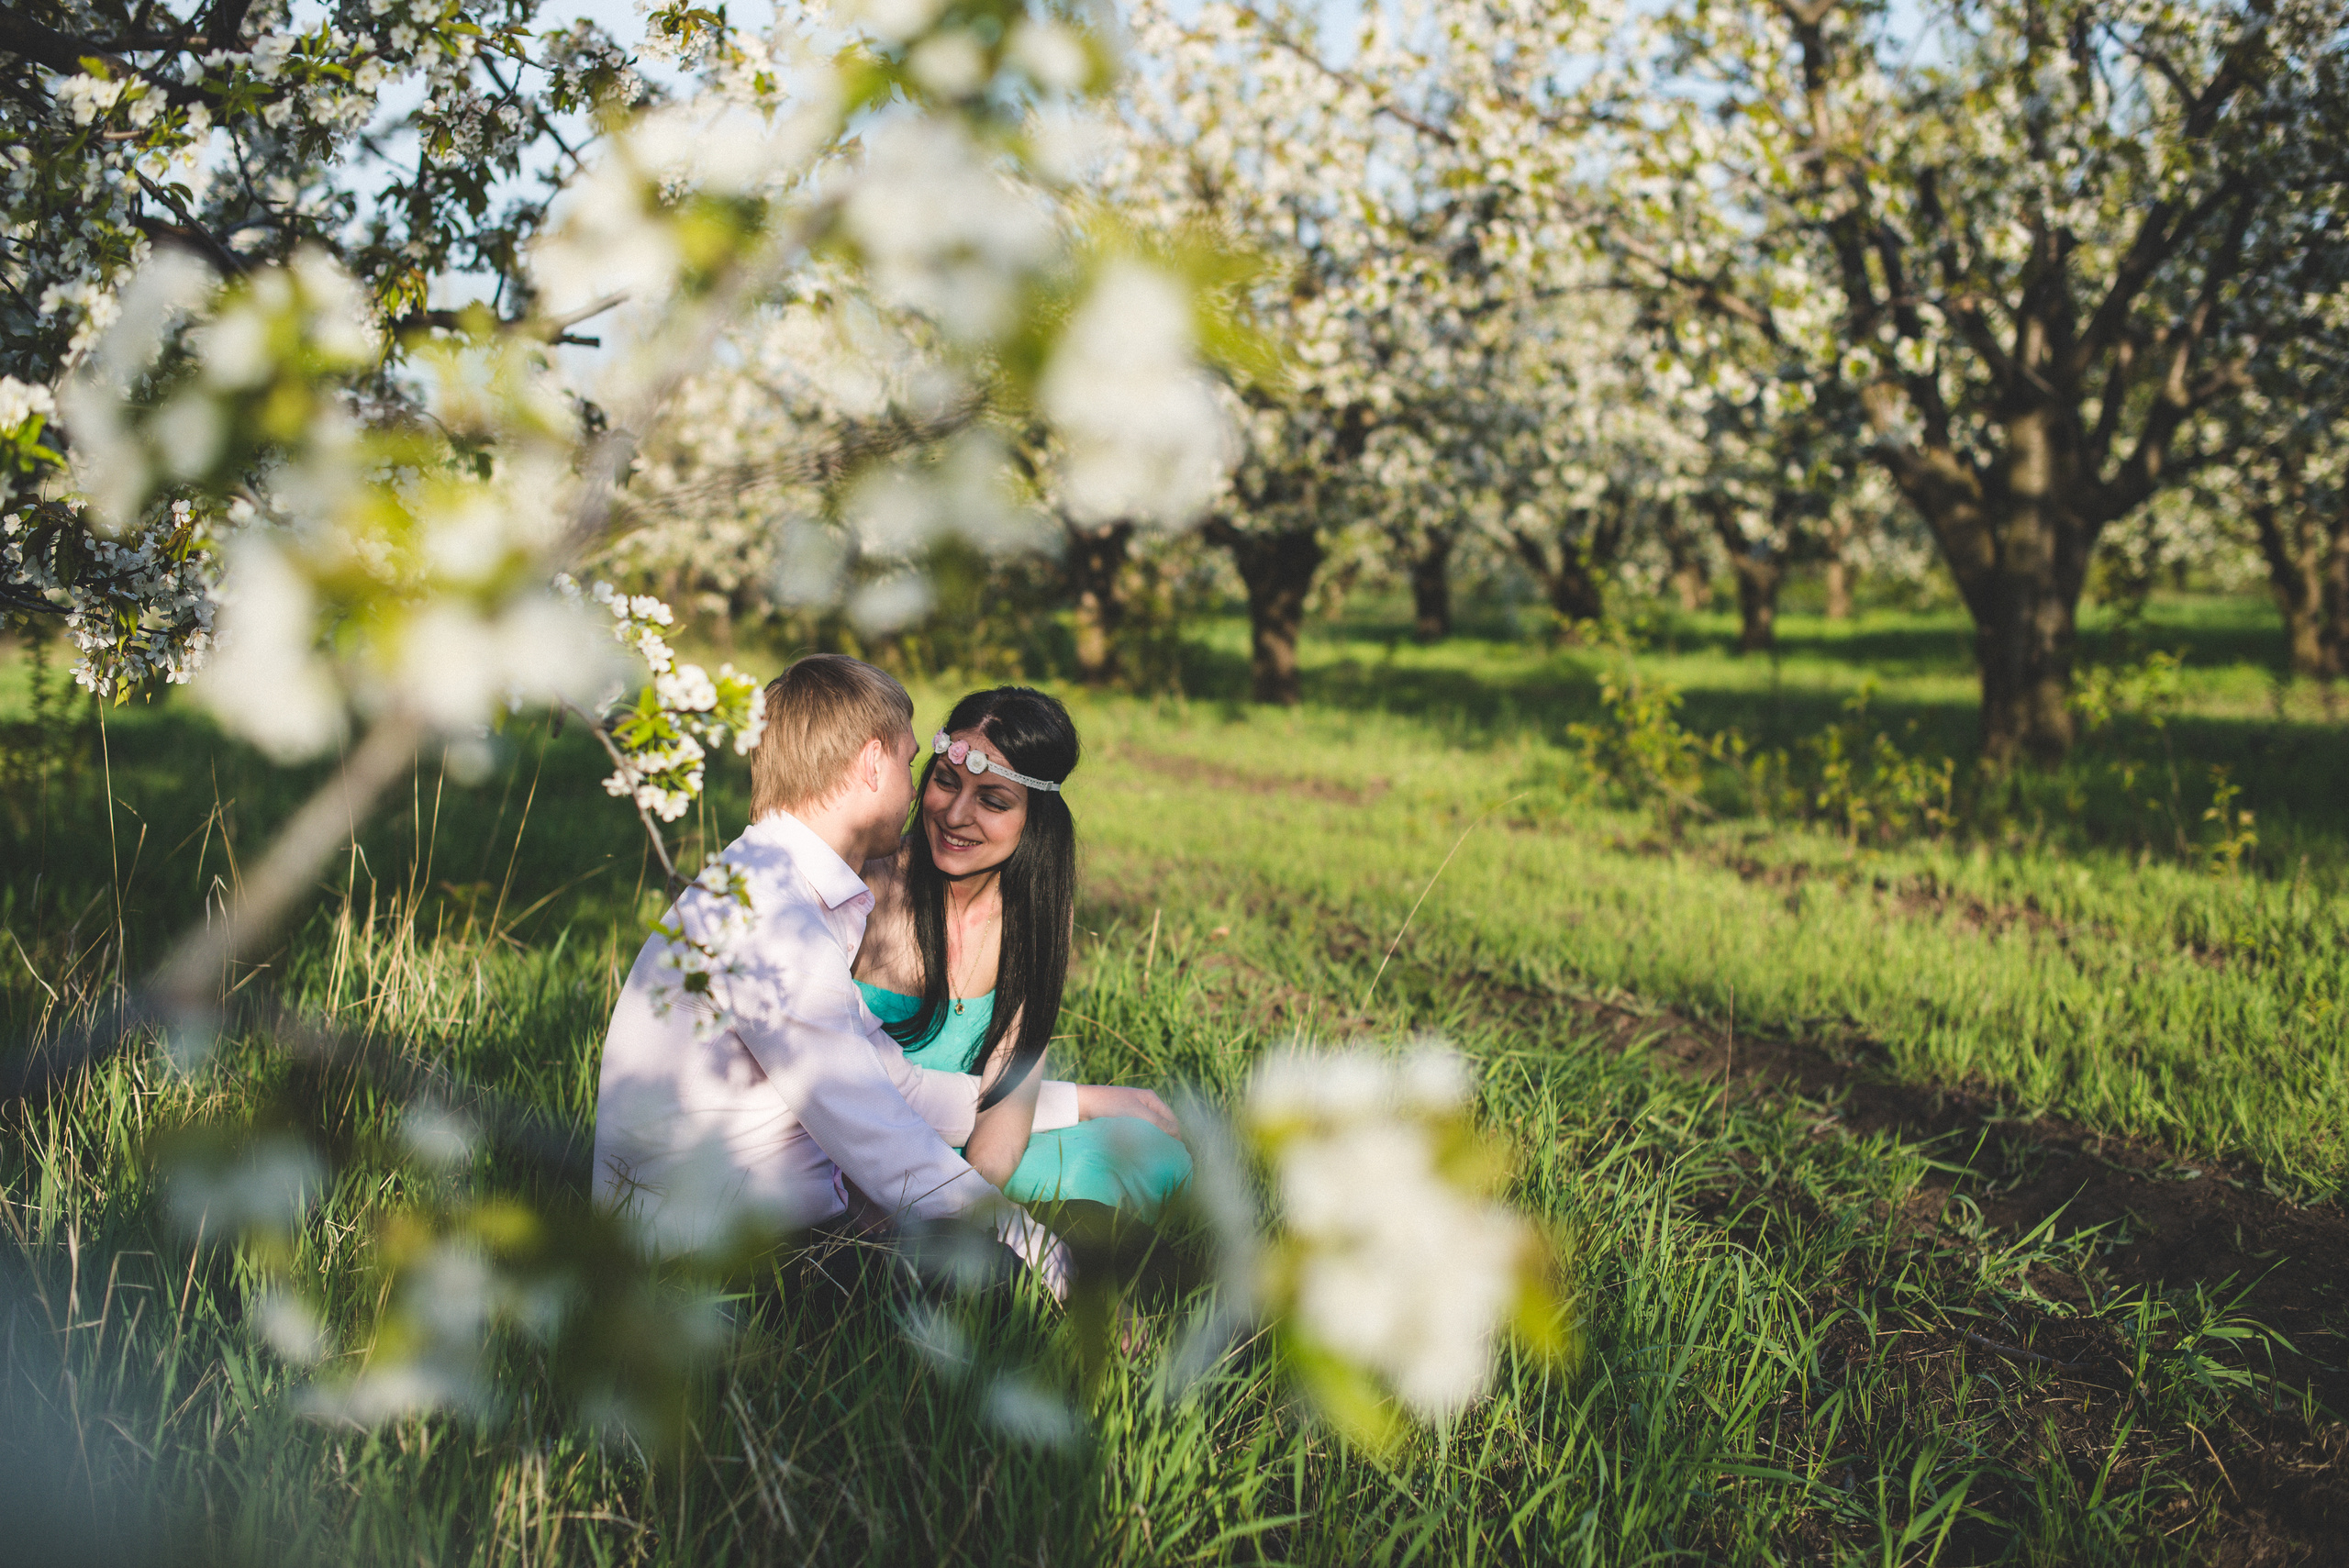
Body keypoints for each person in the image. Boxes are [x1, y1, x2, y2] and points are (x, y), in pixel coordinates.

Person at [589, 654, 1176, 1280]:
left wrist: (1074, 1104)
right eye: (911, 761)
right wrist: (1039, 1255)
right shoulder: (776, 921)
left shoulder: (788, 891)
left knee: (1107, 1214)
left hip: (779, 1212)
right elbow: (879, 1135)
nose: (936, 803)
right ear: (873, 764)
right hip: (717, 1254)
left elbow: (900, 1087)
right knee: (987, 1282)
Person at [853, 685, 1193, 1218]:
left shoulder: (1034, 914)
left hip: (964, 1143)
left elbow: (1005, 1102)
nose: (955, 814)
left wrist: (970, 1207)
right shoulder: (868, 883)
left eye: (992, 801)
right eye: (946, 782)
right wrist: (1080, 1101)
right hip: (856, 1143)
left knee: (1151, 1155)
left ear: (1035, 818)